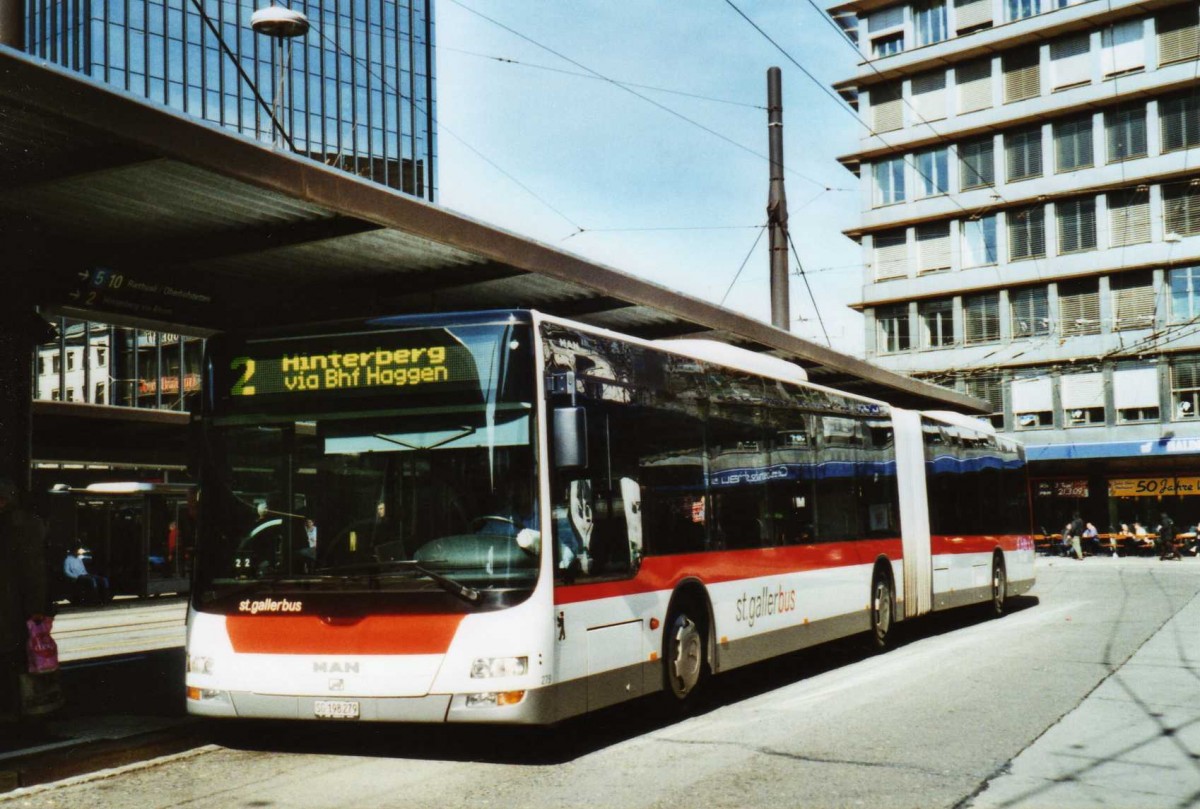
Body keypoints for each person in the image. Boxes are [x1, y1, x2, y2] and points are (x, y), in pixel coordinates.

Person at [0, 479, 48, 723]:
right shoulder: (24, 524)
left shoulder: (21, 527)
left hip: (12, 607)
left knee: (13, 658)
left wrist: (37, 608)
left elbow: (33, 572)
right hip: (14, 605)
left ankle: (14, 710)